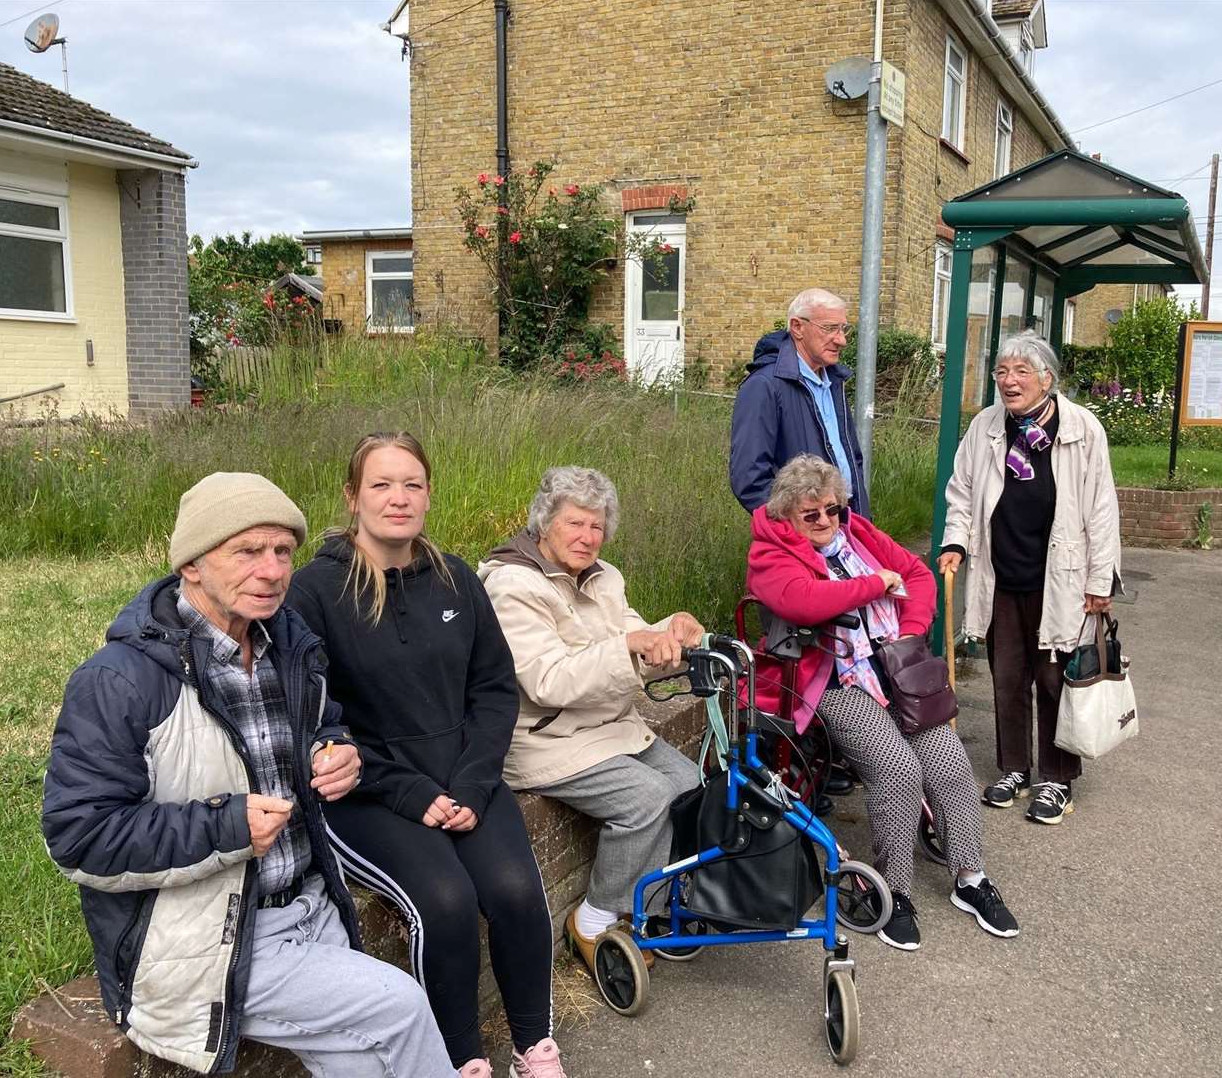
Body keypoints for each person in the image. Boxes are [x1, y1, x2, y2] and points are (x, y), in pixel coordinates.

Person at [42, 472, 454, 1077]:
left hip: (311, 906)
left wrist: (336, 751)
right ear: (192, 565)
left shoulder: (288, 642)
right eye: (247, 551)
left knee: (365, 1061)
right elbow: (78, 837)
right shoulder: (119, 681)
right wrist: (226, 825)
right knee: (400, 1009)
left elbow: (325, 723)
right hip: (213, 941)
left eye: (283, 551)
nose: (271, 571)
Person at [286, 433, 565, 1078]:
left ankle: (535, 1047)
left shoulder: (455, 579)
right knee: (444, 900)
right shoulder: (316, 592)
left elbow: (494, 688)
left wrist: (471, 784)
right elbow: (319, 717)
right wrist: (410, 793)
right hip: (371, 793)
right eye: (381, 484)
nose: (398, 498)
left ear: (429, 494)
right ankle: (460, 1058)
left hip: (463, 775)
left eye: (412, 484)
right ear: (353, 497)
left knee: (517, 889)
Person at [745, 454, 1020, 951]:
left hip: (894, 669)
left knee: (950, 764)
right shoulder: (770, 552)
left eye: (833, 509)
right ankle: (893, 889)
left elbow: (915, 575)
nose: (827, 521)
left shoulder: (860, 534)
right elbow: (802, 599)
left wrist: (909, 634)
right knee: (896, 769)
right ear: (788, 515)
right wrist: (875, 583)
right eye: (812, 515)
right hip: (830, 679)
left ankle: (970, 876)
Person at [477, 466, 704, 968]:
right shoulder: (511, 586)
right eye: (575, 523)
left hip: (607, 727)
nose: (588, 537)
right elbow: (549, 681)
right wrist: (631, 646)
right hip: (545, 738)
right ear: (544, 523)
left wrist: (672, 630)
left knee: (688, 783)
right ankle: (594, 918)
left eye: (597, 526)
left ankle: (650, 906)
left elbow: (632, 632)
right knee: (646, 799)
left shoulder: (604, 577)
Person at [938, 330, 1121, 826]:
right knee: (1007, 677)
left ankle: (1057, 779)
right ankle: (1014, 768)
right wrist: (955, 541)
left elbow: (1102, 508)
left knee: (1054, 678)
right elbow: (962, 490)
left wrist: (1100, 581)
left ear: (1046, 379)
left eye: (1021, 372)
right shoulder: (986, 426)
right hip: (1002, 573)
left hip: (1059, 577)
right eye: (1001, 372)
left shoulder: (1082, 428)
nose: (1009, 381)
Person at [730, 287, 869, 518]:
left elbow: (852, 459)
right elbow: (749, 478)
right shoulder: (764, 385)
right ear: (797, 327)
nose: (841, 340)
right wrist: (798, 526)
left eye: (843, 329)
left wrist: (862, 519)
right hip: (803, 533)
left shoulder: (834, 380)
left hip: (846, 523)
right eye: (830, 328)